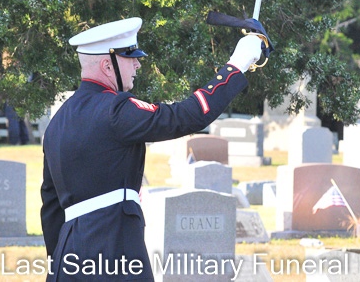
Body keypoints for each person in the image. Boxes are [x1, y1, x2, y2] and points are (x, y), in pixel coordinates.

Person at [40, 16, 265, 281]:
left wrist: (59, 263)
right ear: (107, 65)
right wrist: (237, 63)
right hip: (115, 249)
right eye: (129, 58)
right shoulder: (116, 109)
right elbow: (186, 116)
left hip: (68, 255)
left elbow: (51, 205)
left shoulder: (57, 122)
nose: (137, 64)